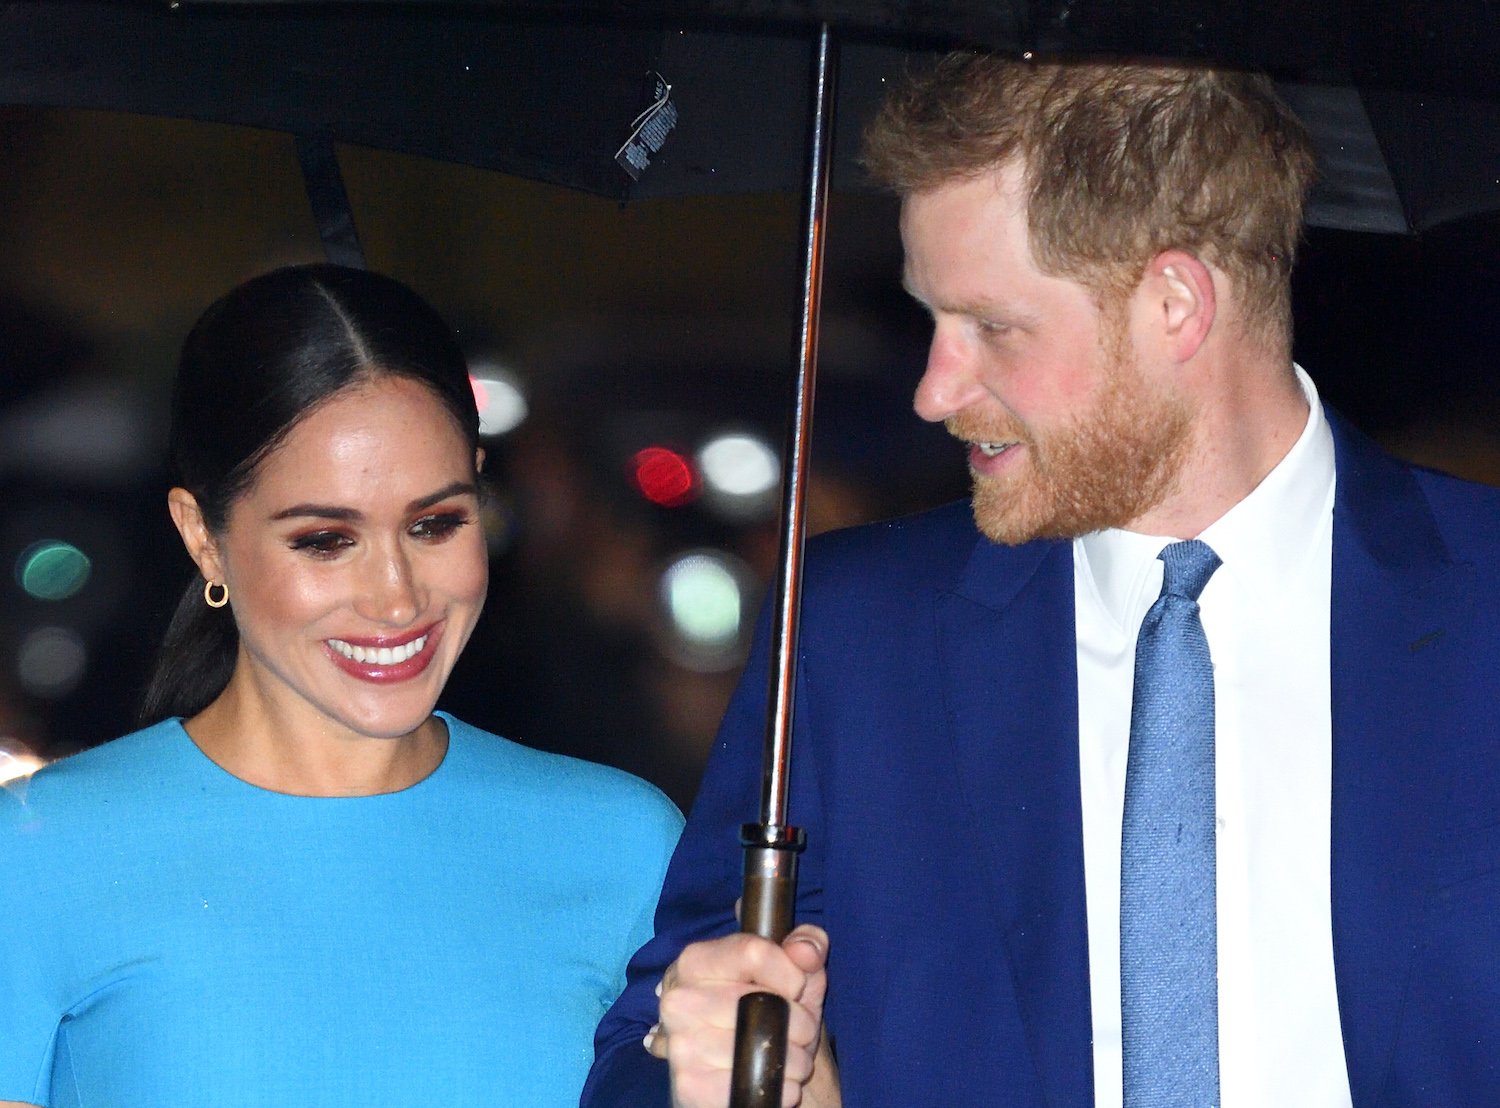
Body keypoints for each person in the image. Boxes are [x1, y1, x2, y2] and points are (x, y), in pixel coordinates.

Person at [583, 55, 1500, 1107]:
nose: (934, 390)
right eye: (931, 322)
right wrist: (702, 1070)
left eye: (991, 328)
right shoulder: (857, 633)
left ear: (1174, 306)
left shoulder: (1486, 606)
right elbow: (640, 1064)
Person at [0, 264, 683, 1108]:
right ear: (202, 537)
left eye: (435, 524)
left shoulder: (623, 845)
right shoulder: (40, 855)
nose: (396, 597)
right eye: (326, 539)